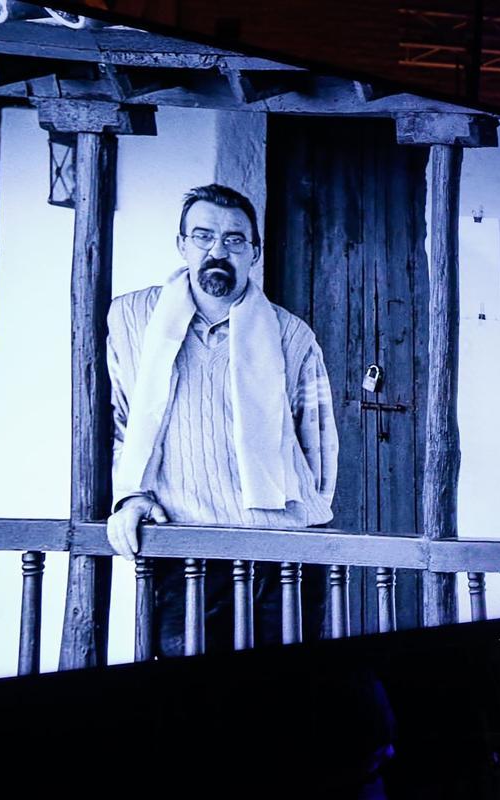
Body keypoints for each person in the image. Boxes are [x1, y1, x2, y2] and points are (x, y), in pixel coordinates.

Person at [105, 183, 338, 657]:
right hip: (185, 547)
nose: (218, 250)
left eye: (234, 240)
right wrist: (130, 496)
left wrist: (300, 519)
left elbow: (318, 443)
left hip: (283, 555)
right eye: (203, 236)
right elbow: (120, 420)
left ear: (254, 252)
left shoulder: (291, 334)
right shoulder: (132, 319)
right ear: (181, 245)